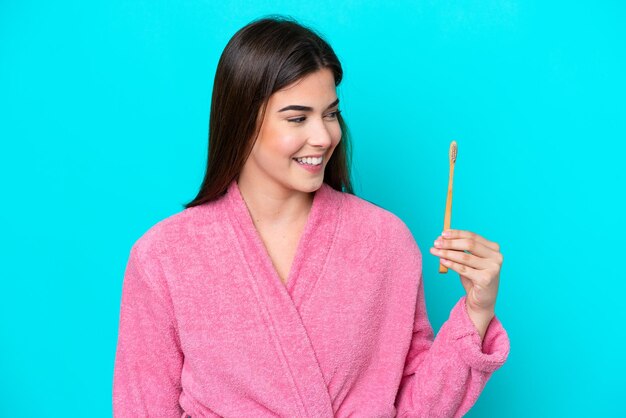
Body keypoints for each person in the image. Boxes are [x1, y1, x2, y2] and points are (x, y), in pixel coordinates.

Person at [112, 15, 510, 417]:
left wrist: (477, 311)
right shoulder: (163, 257)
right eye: (298, 118)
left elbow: (417, 408)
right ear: (242, 121)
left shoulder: (385, 241)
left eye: (331, 114)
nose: (323, 137)